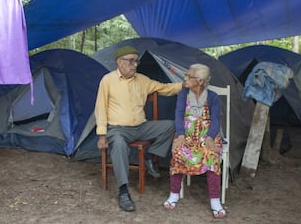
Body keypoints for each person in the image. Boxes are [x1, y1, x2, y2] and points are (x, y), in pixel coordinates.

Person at [95, 45, 183, 212]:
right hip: (118, 129)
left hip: (141, 127)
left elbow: (166, 88)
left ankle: (151, 155)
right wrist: (102, 135)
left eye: (136, 61)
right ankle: (123, 191)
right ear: (120, 62)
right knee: (119, 144)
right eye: (131, 61)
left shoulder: (142, 80)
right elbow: (100, 107)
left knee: (170, 125)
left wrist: (184, 85)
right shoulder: (107, 80)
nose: (135, 65)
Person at [163, 63, 226, 219]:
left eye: (189, 76)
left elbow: (216, 120)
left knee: (211, 157)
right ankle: (174, 193)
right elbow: (178, 115)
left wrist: (211, 136)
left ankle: (215, 200)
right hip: (187, 134)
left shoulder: (212, 97)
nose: (185, 79)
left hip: (207, 135)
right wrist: (180, 134)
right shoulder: (183, 94)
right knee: (177, 152)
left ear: (200, 81)